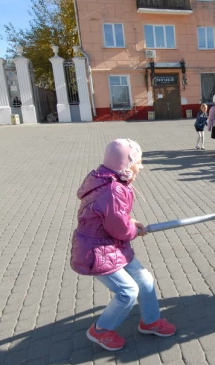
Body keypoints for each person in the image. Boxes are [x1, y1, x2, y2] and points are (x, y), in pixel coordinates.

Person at [71, 139, 176, 351]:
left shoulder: (110, 181)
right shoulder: (113, 189)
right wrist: (133, 230)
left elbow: (114, 217)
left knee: (144, 279)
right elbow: (118, 228)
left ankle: (150, 321)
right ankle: (101, 330)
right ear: (125, 165)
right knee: (127, 291)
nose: (141, 166)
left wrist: (131, 223)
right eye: (139, 161)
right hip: (97, 251)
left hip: (113, 246)